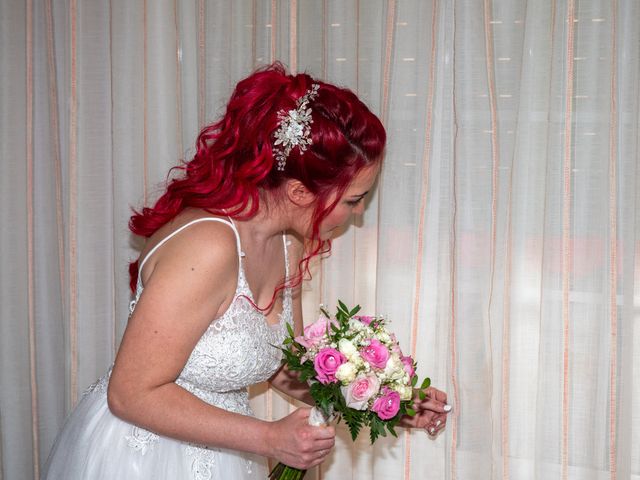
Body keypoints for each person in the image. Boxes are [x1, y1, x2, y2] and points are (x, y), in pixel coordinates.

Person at [43, 63, 450, 479]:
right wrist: (269, 439)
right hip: (143, 456)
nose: (359, 212)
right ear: (298, 192)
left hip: (229, 450)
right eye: (353, 200)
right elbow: (130, 394)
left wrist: (388, 399)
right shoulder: (207, 247)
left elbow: (277, 367)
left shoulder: (287, 245)